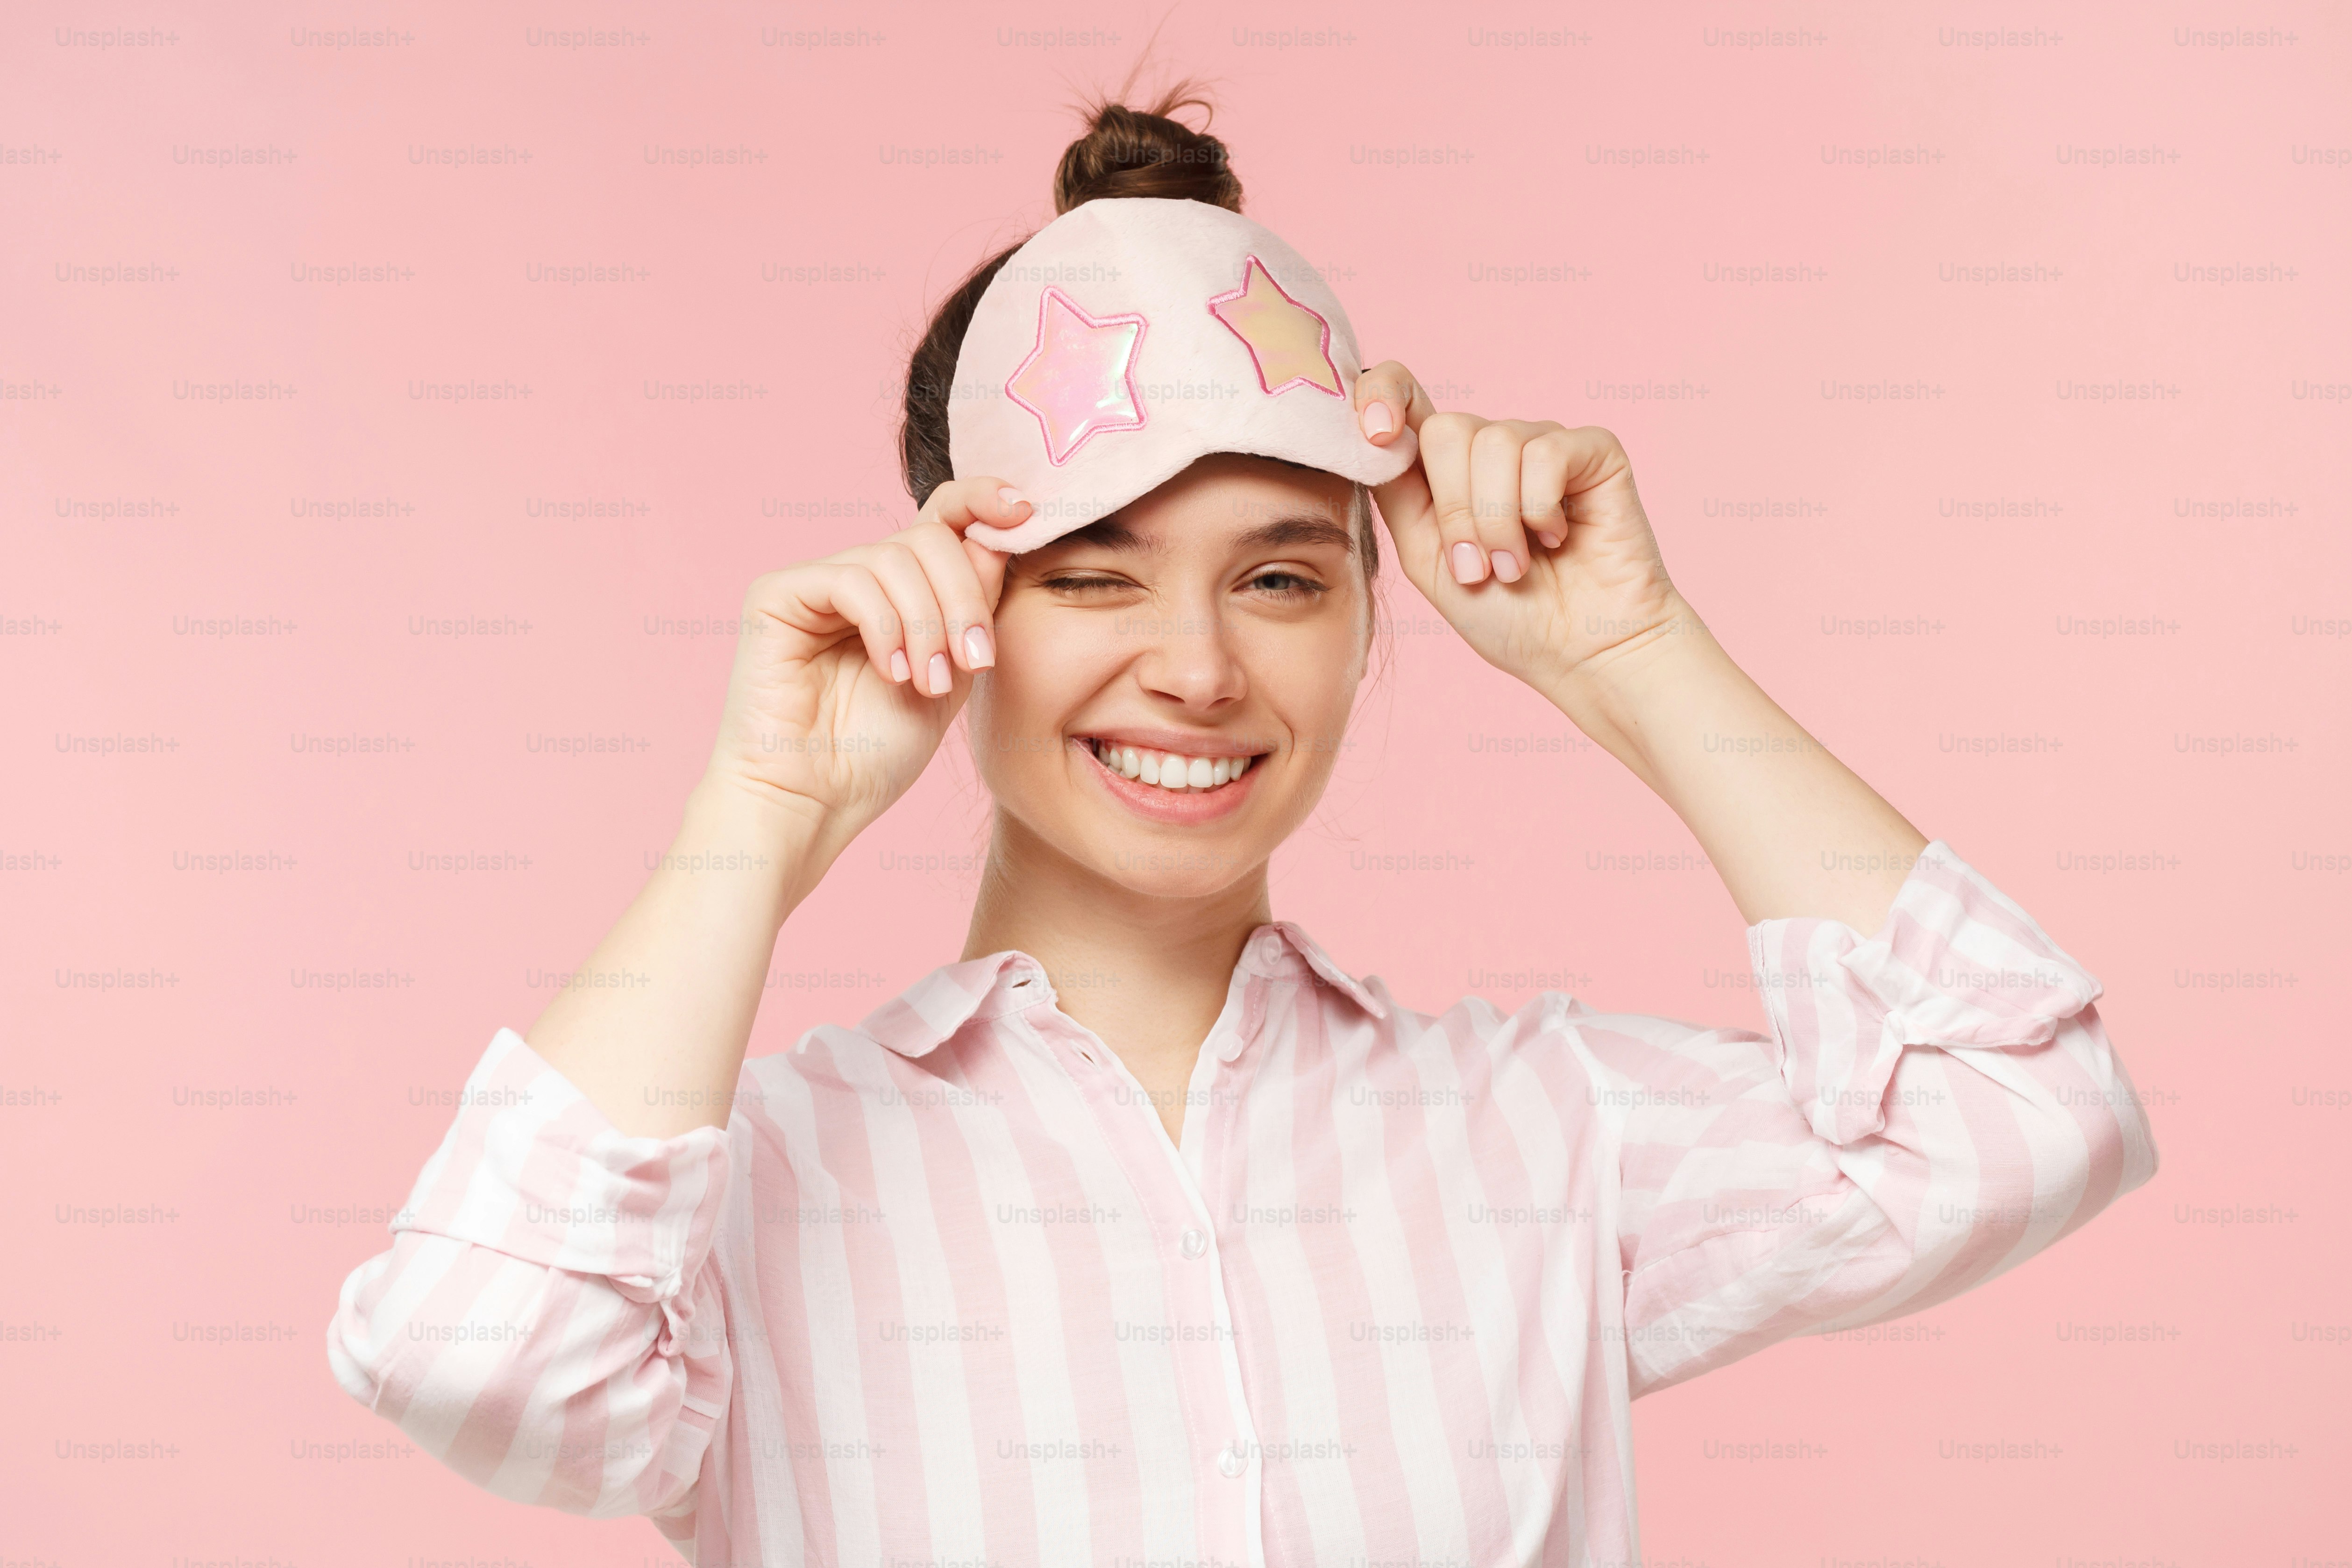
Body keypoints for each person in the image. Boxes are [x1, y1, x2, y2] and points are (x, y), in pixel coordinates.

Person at [328, 88, 2159, 1568]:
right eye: (1092, 577)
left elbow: (2022, 1113)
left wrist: (1629, 655)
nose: (1194, 668)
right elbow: (478, 1367)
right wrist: (762, 814)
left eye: (1279, 578)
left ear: (1373, 619)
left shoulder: (1536, 1132)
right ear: (956, 615)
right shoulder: (758, 1183)